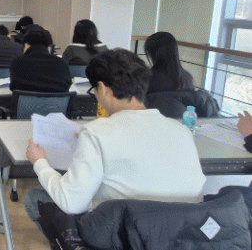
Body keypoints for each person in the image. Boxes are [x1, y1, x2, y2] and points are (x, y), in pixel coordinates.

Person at [24, 49, 205, 229]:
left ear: (103, 89)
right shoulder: (181, 130)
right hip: (183, 234)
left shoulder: (97, 133)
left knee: (35, 199)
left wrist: (40, 163)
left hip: (125, 235)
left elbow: (71, 202)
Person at [9, 26, 71, 92]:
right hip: (55, 99)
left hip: (26, 99)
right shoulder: (62, 64)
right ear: (48, 47)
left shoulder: (17, 63)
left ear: (26, 45)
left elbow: (13, 87)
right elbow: (67, 86)